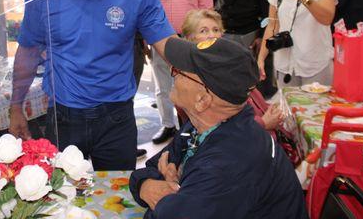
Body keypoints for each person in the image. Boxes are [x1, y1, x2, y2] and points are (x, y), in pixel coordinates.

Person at [9, 0, 175, 171]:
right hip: (62, 117)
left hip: (117, 118)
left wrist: (204, 60)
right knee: (62, 201)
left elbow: (166, 43)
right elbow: (27, 53)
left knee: (119, 199)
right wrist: (16, 106)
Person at [129, 37, 307, 218]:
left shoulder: (228, 161)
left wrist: (169, 193)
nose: (171, 71)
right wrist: (146, 185)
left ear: (202, 100)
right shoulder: (206, 124)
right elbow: (152, 165)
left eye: (179, 71)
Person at [147, 0, 213, 144]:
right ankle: (168, 125)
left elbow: (207, 7)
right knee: (163, 87)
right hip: (160, 40)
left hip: (189, 42)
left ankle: (191, 126)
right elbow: (144, 10)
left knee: (191, 86)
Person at [182, 9, 283, 133]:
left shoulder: (227, 62)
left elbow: (252, 98)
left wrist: (268, 110)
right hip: (243, 137)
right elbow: (218, 125)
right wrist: (264, 123)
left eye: (216, 30)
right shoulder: (192, 77)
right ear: (190, 38)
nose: (212, 35)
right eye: (203, 31)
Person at [120, 0, 149, 159]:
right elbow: (142, 9)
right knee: (126, 98)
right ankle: (126, 148)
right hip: (129, 44)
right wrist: (144, 39)